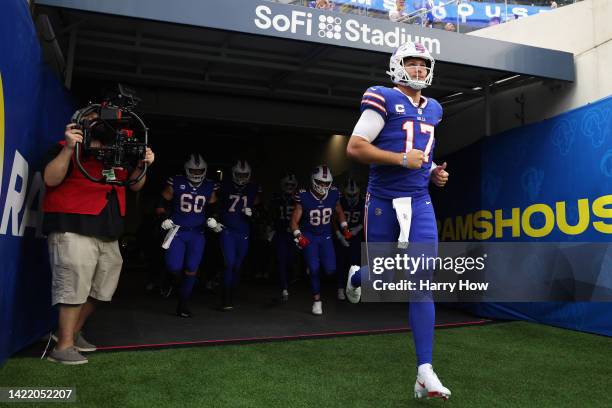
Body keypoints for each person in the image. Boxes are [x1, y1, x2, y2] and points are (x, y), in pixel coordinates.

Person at [344, 41, 451, 399]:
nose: (419, 69)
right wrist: (401, 160)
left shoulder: (434, 108)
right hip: (384, 201)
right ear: (397, 66)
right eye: (412, 63)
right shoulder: (382, 97)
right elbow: (356, 147)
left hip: (419, 201)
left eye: (424, 64)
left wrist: (433, 170)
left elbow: (425, 151)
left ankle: (424, 370)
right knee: (385, 275)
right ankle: (359, 275)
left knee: (421, 278)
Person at [43, 117, 155, 364]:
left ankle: (70, 333)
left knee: (103, 289)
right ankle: (62, 346)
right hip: (73, 226)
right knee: (73, 287)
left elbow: (135, 186)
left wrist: (143, 164)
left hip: (108, 229)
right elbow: (50, 179)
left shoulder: (119, 152)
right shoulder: (67, 146)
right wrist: (69, 148)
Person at [157, 153, 218, 318]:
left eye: (200, 171)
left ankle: (183, 304)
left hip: (197, 233)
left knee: (192, 269)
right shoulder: (176, 181)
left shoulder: (209, 185)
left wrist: (213, 219)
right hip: (177, 231)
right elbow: (162, 202)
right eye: (193, 170)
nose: (197, 174)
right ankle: (169, 278)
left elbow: (214, 206)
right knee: (174, 266)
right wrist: (164, 218)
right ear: (186, 170)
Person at [290, 165, 351, 315]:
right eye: (320, 182)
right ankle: (317, 301)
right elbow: (293, 221)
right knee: (315, 270)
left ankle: (312, 266)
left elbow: (339, 211)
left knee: (331, 269)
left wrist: (345, 227)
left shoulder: (334, 194)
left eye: (326, 183)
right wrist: (299, 236)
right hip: (309, 236)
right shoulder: (303, 195)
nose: (323, 186)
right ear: (313, 180)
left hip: (326, 236)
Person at [216, 160, 261, 310]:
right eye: (239, 174)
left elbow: (261, 210)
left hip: (244, 231)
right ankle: (226, 298)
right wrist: (216, 220)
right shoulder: (224, 186)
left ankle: (231, 291)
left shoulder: (254, 188)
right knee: (228, 263)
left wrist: (253, 213)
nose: (242, 177)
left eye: (244, 175)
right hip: (227, 230)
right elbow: (216, 205)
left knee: (237, 265)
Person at [334, 178, 365, 301]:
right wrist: (339, 235)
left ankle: (353, 286)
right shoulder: (339, 202)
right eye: (349, 194)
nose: (352, 197)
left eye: (354, 194)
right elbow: (333, 219)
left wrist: (358, 228)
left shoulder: (362, 202)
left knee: (355, 262)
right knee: (341, 262)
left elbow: (367, 218)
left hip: (356, 236)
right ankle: (340, 287)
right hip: (342, 235)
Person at [270, 173, 299, 301]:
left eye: (292, 185)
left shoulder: (298, 198)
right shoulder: (277, 198)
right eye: (287, 184)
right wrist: (270, 228)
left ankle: (289, 279)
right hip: (280, 232)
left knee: (290, 260)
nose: (289, 187)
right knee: (281, 259)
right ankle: (284, 287)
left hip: (293, 234)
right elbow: (271, 214)